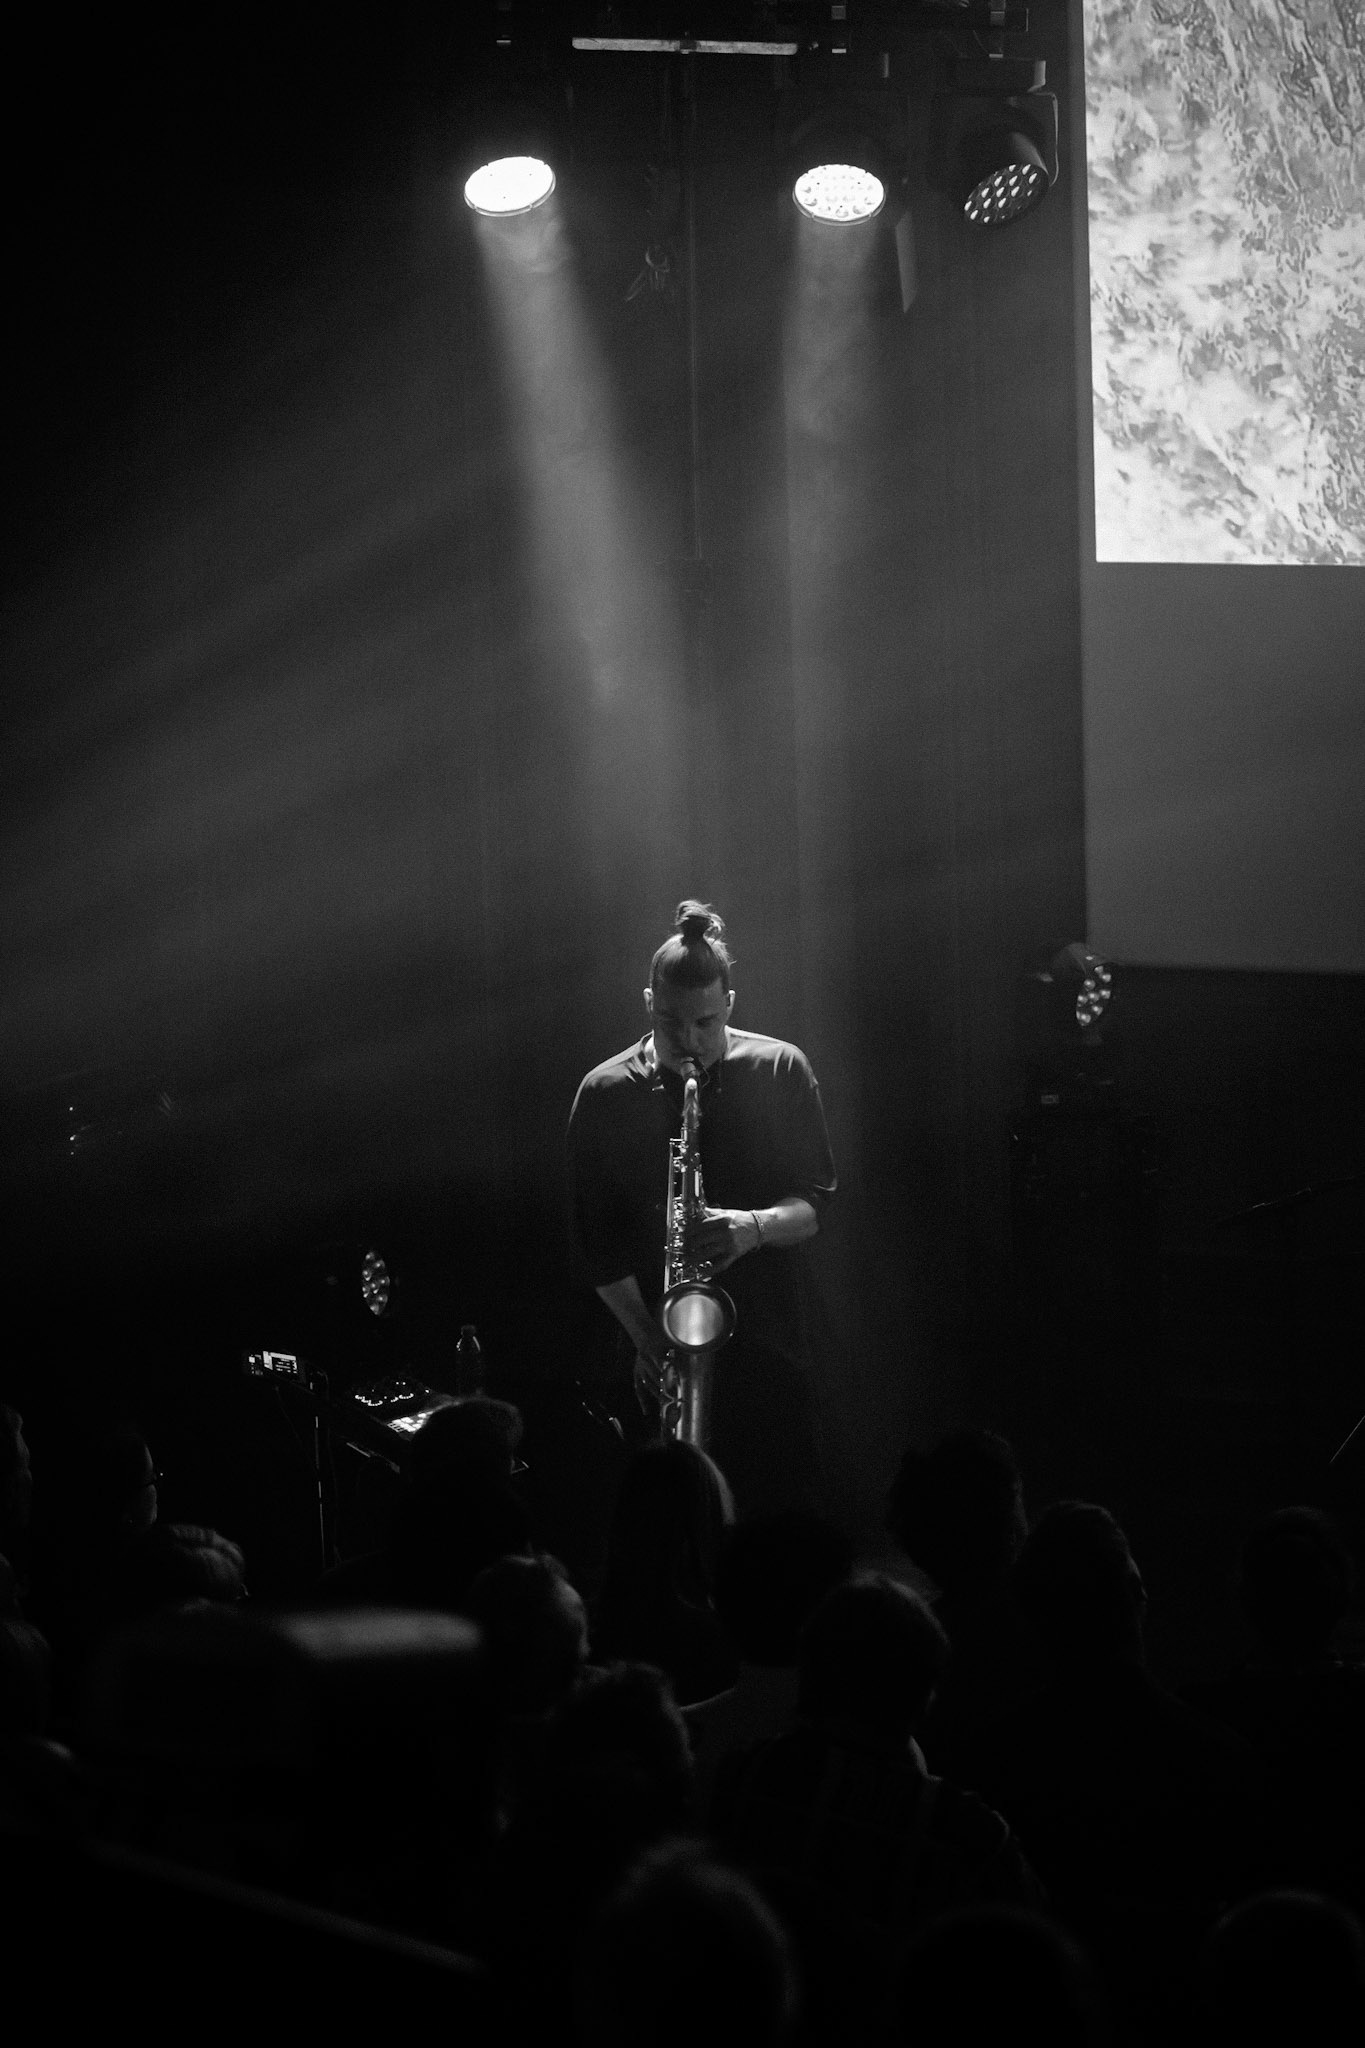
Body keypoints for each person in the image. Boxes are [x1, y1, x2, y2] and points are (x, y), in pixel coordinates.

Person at [566, 900, 837, 1513]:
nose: (690, 1042)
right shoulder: (605, 1092)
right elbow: (593, 1241)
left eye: (706, 1024)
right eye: (672, 1023)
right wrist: (651, 1339)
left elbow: (818, 1205)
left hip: (771, 1351)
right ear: (648, 1004)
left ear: (731, 1006)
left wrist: (752, 1227)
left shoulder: (781, 1068)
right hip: (650, 1352)